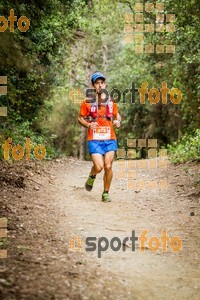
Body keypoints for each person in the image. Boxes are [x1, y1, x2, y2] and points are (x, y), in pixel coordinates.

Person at [78, 71, 121, 202]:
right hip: (94, 139)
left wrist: (118, 121)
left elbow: (117, 115)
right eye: (97, 83)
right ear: (93, 86)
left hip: (110, 138)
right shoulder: (87, 102)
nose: (100, 85)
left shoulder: (111, 101)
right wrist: (87, 125)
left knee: (108, 166)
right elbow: (80, 118)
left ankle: (105, 193)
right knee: (99, 167)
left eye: (102, 82)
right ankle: (92, 175)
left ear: (105, 84)